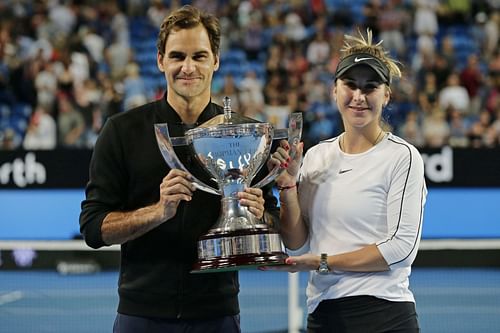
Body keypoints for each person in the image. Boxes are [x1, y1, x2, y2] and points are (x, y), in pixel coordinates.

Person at [80, 5, 278, 333]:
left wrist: (260, 216)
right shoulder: (122, 131)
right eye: (177, 56)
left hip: (217, 315)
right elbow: (93, 227)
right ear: (160, 61)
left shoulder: (247, 136)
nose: (188, 67)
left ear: (215, 60)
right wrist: (158, 212)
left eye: (199, 56)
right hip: (141, 315)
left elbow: (278, 226)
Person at [266, 29, 427, 332]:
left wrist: (322, 262)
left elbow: (400, 250)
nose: (359, 96)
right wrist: (287, 187)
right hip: (323, 315)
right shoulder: (316, 157)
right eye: (350, 85)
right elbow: (297, 244)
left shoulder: (403, 157)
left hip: (385, 314)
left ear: (387, 95)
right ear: (334, 90)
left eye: (371, 87)